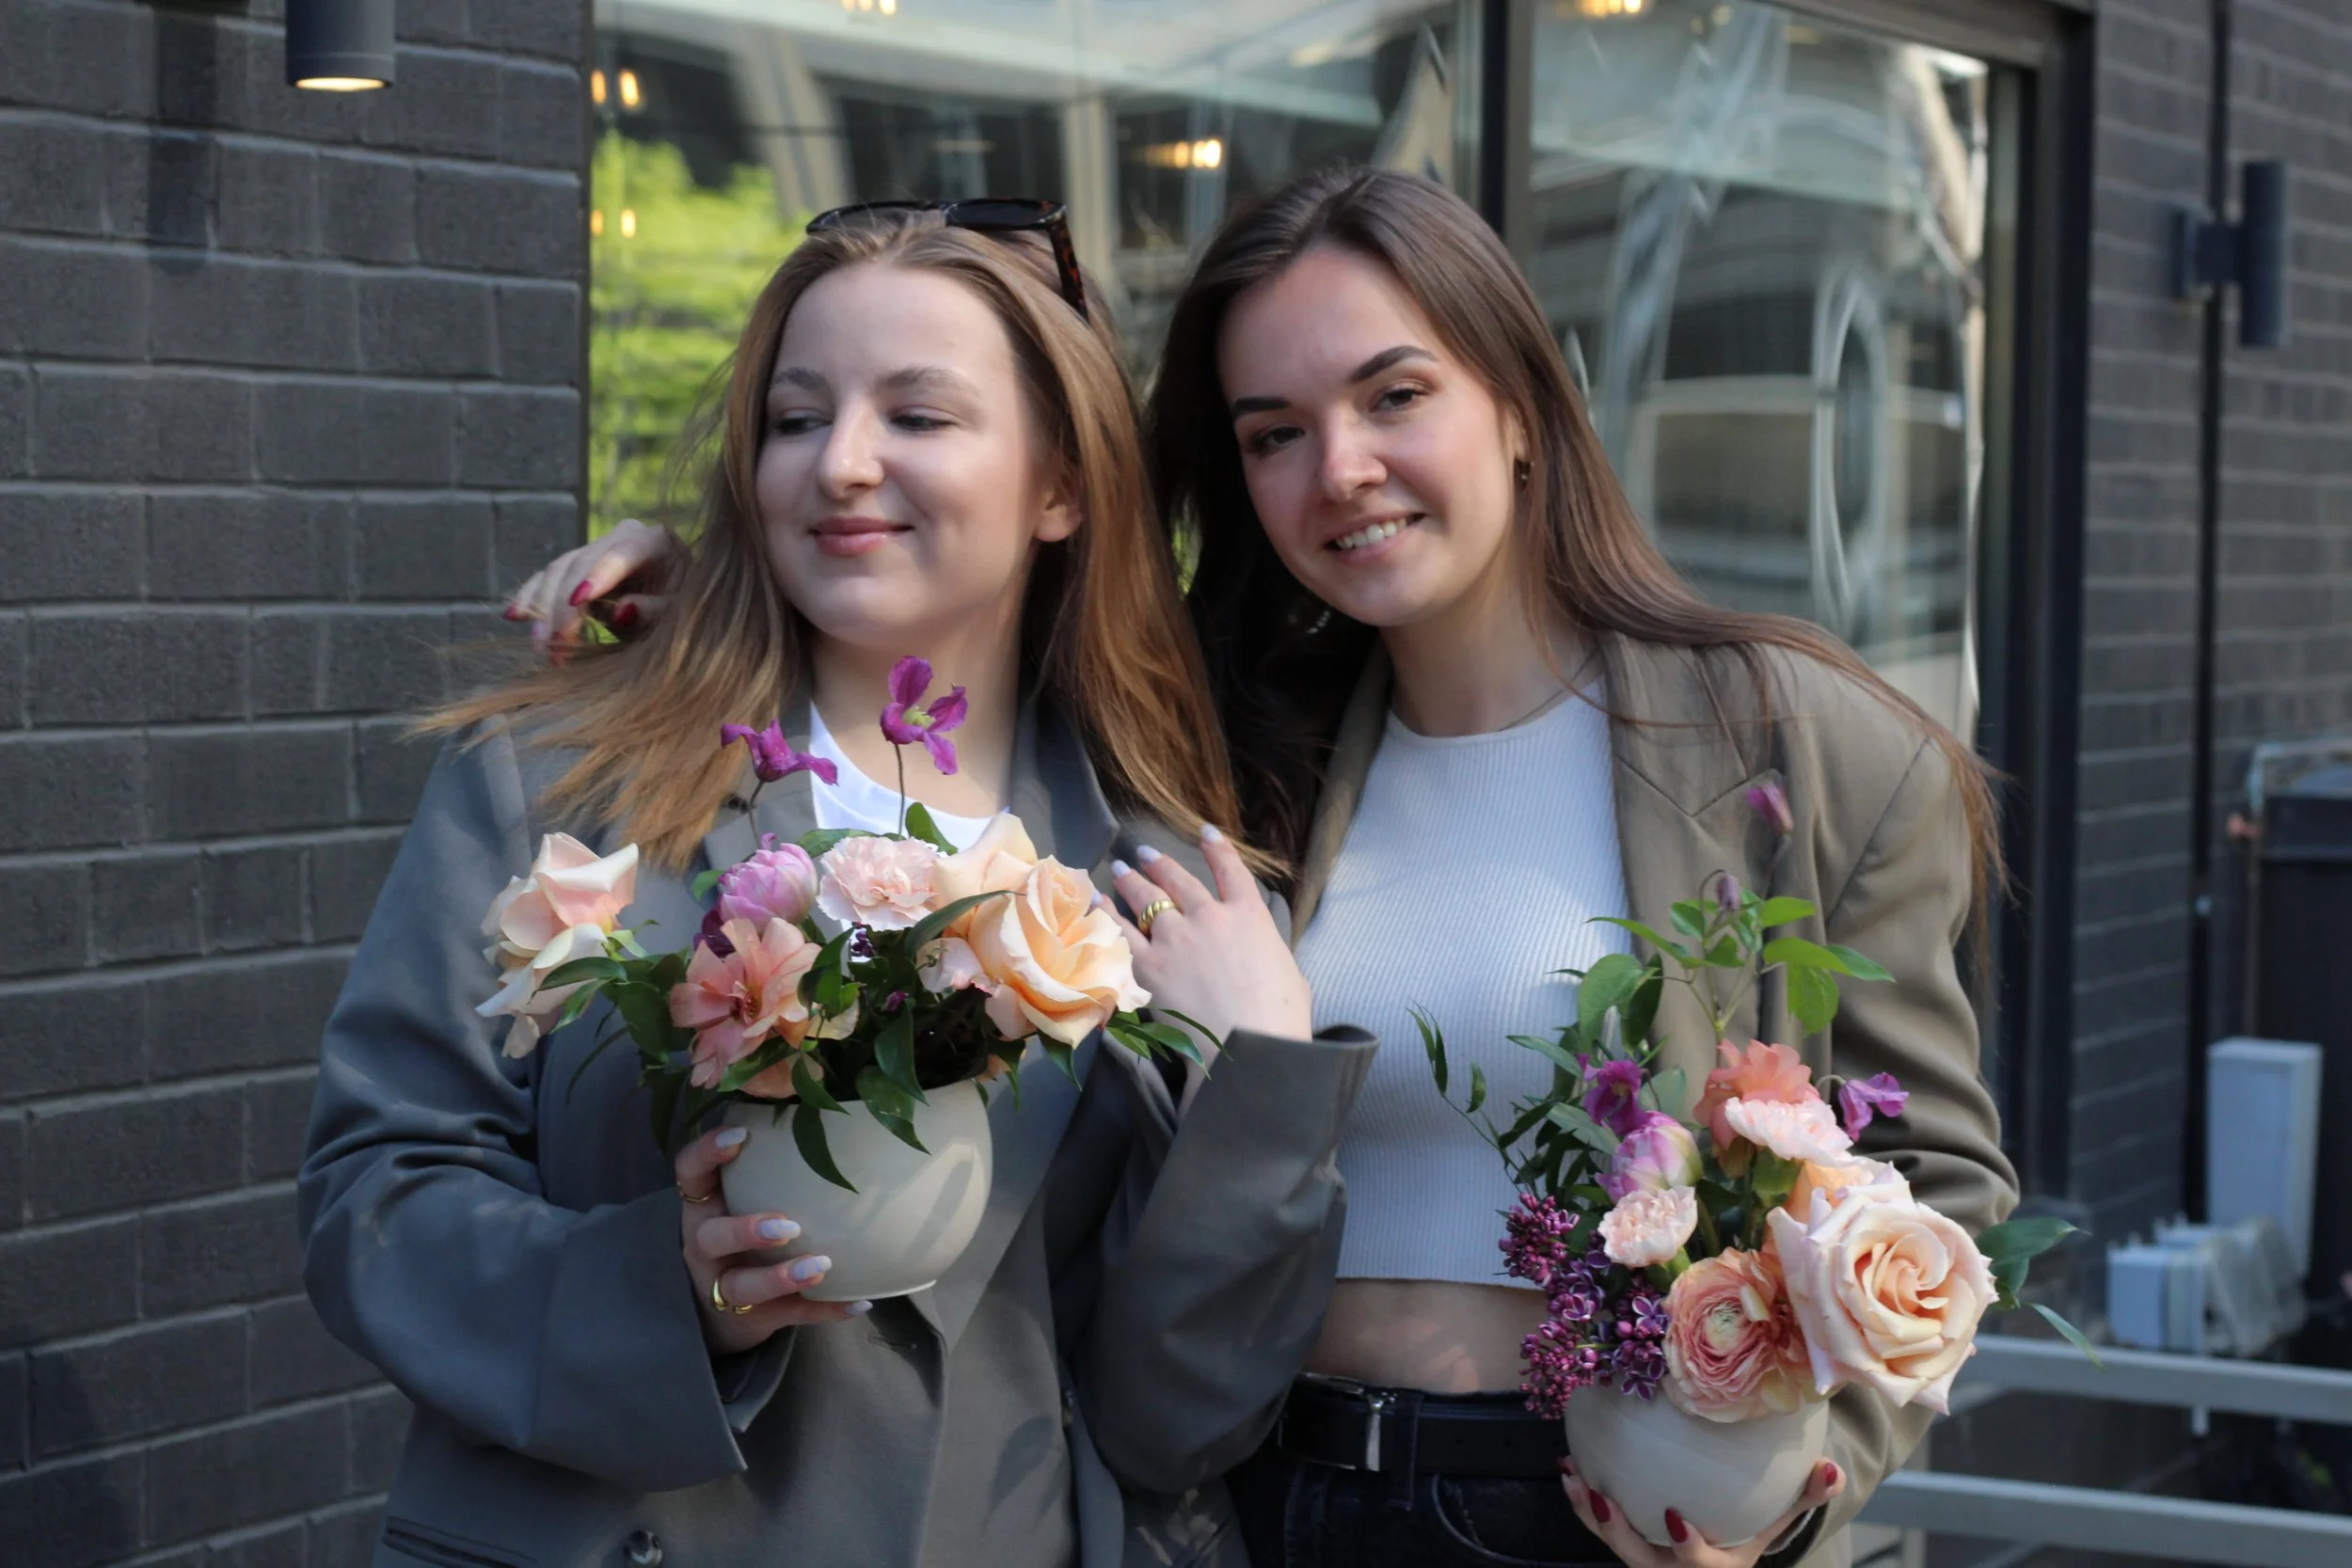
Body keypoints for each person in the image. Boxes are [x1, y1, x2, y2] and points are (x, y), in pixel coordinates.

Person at [520, 169, 2019, 1568]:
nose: (1340, 470)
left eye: (1395, 395)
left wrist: (1793, 1482)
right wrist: (716, 592)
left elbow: (1937, 1182)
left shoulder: (1795, 742)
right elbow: (973, 605)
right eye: (1272, 432)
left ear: (1517, 397)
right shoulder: (1219, 751)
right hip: (1261, 1499)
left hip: (1616, 1507)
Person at [300, 204, 1359, 1568]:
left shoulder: (1169, 892)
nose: (842, 464)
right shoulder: (561, 780)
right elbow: (375, 1196)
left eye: (918, 416)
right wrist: (667, 1294)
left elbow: (1174, 1425)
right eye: (798, 418)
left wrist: (1261, 1081)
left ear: (1060, 486)